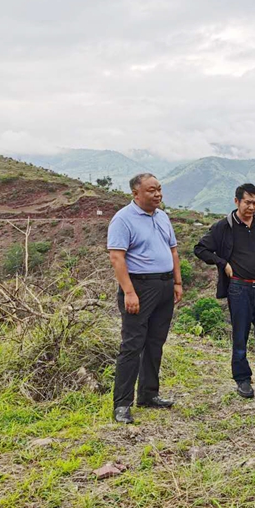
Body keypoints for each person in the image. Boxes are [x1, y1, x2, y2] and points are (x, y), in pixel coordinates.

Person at [194, 183, 255, 399]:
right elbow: (200, 248)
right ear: (237, 202)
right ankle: (242, 380)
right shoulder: (223, 226)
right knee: (240, 336)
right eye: (248, 202)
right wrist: (222, 263)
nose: (252, 207)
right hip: (239, 288)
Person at [107, 173, 182, 424]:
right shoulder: (123, 219)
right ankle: (122, 404)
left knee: (155, 342)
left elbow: (173, 250)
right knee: (132, 345)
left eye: (159, 189)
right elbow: (117, 258)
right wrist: (129, 291)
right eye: (151, 190)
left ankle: (149, 395)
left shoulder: (162, 216)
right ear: (135, 193)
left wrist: (177, 281)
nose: (158, 194)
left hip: (164, 285)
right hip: (139, 287)